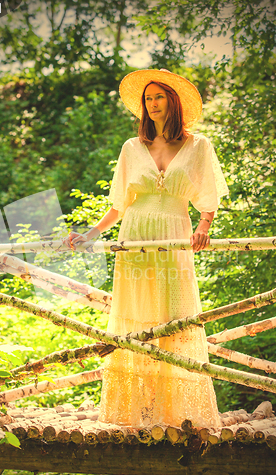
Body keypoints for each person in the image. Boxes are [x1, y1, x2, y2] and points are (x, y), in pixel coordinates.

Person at [63, 69, 229, 428]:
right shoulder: (131, 147)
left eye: (159, 97)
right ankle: (135, 411)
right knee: (136, 313)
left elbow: (209, 197)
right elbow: (120, 204)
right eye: (148, 99)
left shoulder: (198, 145)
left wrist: (204, 227)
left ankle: (175, 411)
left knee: (173, 314)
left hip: (174, 231)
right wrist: (90, 234)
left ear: (173, 102)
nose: (153, 104)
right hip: (135, 234)